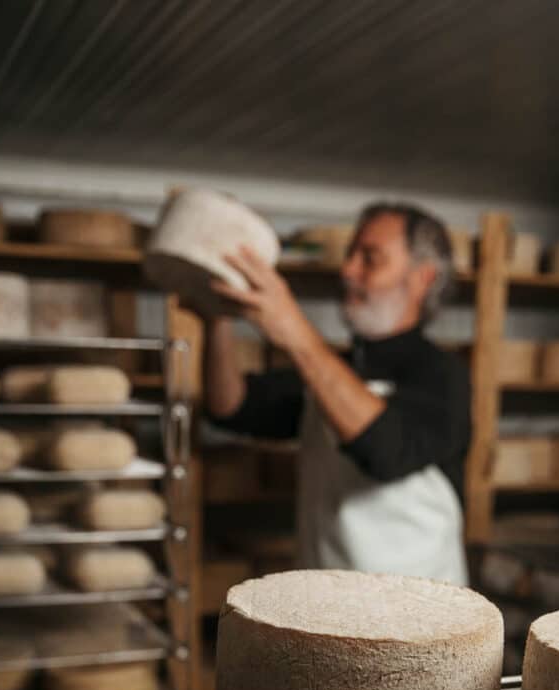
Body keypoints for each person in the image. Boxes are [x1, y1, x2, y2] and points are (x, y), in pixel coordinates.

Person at [201, 202, 471, 583]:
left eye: (370, 259)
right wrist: (218, 319)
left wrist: (293, 329)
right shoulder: (331, 367)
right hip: (326, 606)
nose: (347, 270)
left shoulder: (443, 375)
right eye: (350, 255)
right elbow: (231, 406)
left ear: (422, 279)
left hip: (419, 615)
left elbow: (385, 452)